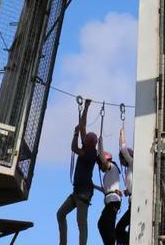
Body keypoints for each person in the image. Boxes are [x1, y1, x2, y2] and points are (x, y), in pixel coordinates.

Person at [57, 97, 98, 245]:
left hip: (83, 193)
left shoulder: (90, 153)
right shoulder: (88, 147)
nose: (83, 138)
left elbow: (74, 148)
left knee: (81, 223)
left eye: (85, 138)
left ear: (89, 143)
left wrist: (75, 134)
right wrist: (86, 107)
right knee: (60, 214)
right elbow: (83, 125)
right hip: (77, 191)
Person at [96, 146, 123, 245]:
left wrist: (100, 144)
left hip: (113, 201)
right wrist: (93, 186)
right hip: (110, 201)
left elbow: (103, 159)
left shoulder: (112, 167)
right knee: (102, 224)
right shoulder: (107, 175)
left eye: (100, 165)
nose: (100, 168)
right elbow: (106, 190)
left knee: (108, 224)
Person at [114, 122, 133, 245]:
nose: (121, 162)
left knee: (119, 228)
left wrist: (121, 134)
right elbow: (132, 187)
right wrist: (124, 191)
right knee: (122, 228)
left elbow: (123, 149)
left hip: (134, 203)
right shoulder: (131, 169)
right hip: (132, 201)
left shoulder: (133, 162)